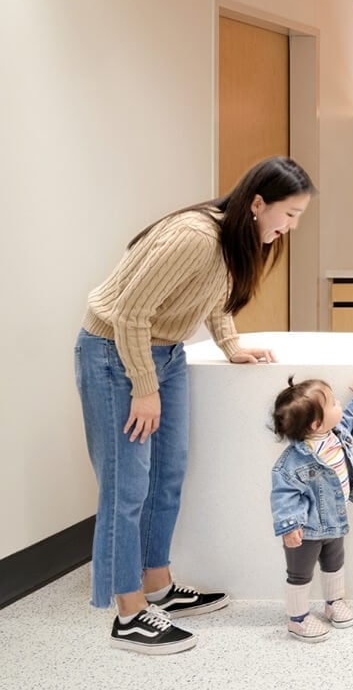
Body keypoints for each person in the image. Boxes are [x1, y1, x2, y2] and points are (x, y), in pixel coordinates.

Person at [75, 155, 315, 655]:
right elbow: (130, 313)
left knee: (168, 473)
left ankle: (158, 584)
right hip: (115, 355)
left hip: (165, 353)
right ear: (257, 204)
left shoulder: (230, 241)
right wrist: (143, 385)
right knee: (127, 484)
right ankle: (129, 613)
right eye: (288, 215)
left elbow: (212, 296)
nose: (290, 228)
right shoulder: (196, 237)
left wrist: (231, 346)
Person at [270, 374, 353, 642]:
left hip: (335, 522)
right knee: (299, 574)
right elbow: (283, 495)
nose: (339, 404)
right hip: (306, 530)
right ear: (316, 423)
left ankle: (334, 602)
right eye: (333, 403)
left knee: (334, 564)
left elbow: (349, 420)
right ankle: (298, 620)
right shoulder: (291, 463)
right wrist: (289, 526)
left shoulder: (335, 435)